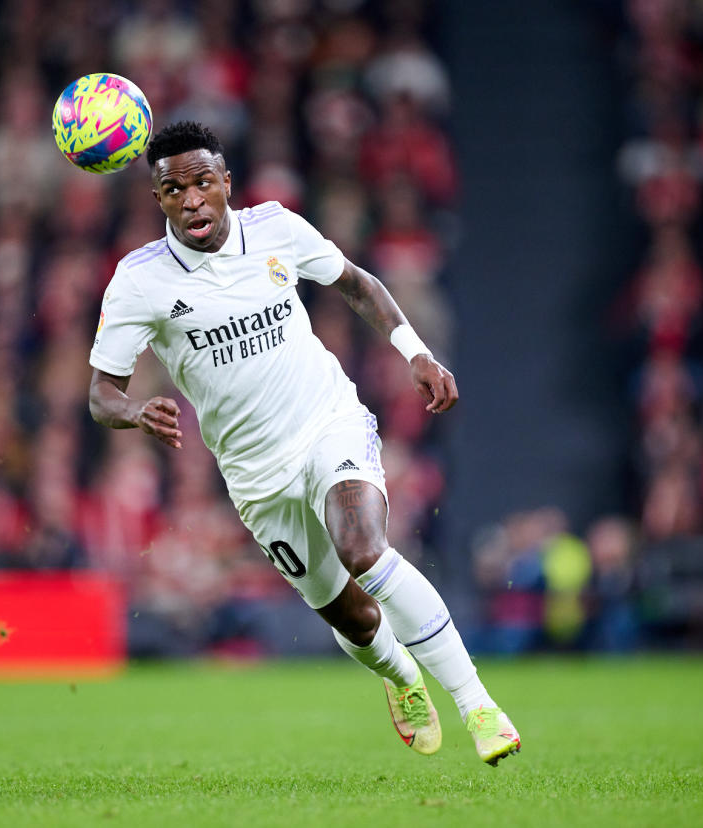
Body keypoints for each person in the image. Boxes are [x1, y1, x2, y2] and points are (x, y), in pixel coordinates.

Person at [87, 121, 520, 765]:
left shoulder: (276, 229)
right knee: (352, 616)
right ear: (160, 200)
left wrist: (416, 353)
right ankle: (401, 679)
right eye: (174, 189)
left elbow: (357, 283)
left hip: (327, 423)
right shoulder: (140, 281)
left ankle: (478, 705)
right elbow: (101, 393)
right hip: (255, 475)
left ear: (227, 182)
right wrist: (133, 413)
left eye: (204, 181)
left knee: (365, 551)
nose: (193, 199)